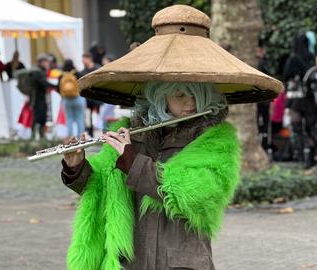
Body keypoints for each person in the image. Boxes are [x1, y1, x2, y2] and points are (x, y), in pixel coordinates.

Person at [59, 5, 282, 270]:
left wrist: (133, 163)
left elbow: (193, 193)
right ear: (158, 95)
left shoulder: (215, 141)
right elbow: (101, 184)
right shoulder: (130, 134)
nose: (189, 103)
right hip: (130, 260)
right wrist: (77, 167)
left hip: (180, 261)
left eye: (196, 95)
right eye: (179, 95)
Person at [283, 31, 317, 168]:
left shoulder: (293, 59)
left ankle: (302, 159)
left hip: (296, 100)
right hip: (311, 100)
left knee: (297, 129)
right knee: (312, 129)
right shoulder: (314, 58)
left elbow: (286, 76)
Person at [29, 54, 55, 139]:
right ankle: (34, 136)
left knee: (42, 117)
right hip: (37, 99)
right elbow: (43, 83)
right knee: (38, 117)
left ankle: (41, 135)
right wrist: (56, 86)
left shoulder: (41, 71)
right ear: (42, 62)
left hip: (41, 98)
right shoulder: (37, 72)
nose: (48, 63)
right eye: (46, 62)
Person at [58, 59, 86, 138]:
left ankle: (71, 138)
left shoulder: (62, 75)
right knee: (79, 118)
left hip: (66, 100)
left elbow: (58, 88)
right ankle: (81, 137)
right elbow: (82, 84)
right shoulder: (77, 73)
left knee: (69, 119)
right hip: (78, 98)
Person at [78, 52, 102, 136]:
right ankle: (91, 133)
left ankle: (102, 134)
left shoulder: (97, 68)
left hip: (97, 96)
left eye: (84, 59)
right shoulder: (82, 71)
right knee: (88, 117)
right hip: (87, 98)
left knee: (99, 115)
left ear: (89, 58)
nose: (83, 61)